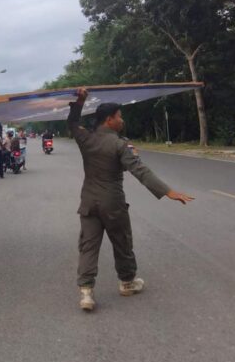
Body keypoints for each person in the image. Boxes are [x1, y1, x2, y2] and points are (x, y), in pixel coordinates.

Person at [67, 88, 194, 311]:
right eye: (119, 116)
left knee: (88, 246)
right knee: (122, 242)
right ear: (109, 120)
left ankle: (86, 293)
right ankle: (127, 282)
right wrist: (168, 191)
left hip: (88, 201)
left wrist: (79, 101)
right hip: (113, 203)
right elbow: (139, 170)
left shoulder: (85, 138)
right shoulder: (120, 145)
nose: (121, 120)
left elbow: (72, 122)